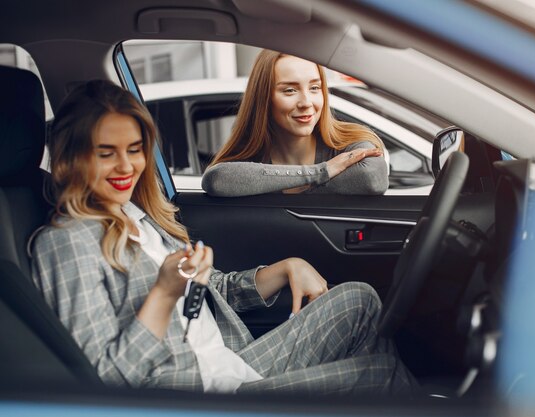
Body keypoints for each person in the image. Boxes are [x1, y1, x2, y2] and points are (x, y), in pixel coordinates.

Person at [30, 80, 418, 395]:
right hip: (197, 394)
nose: (126, 166)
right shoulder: (67, 243)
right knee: (380, 375)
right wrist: (163, 295)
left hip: (231, 364)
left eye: (134, 150)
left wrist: (285, 269)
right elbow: (103, 379)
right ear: (69, 158)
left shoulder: (138, 216)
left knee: (360, 300)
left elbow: (209, 294)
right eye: (105, 153)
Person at [201, 50, 389, 197]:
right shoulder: (250, 157)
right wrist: (321, 172)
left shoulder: (352, 142)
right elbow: (216, 180)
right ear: (264, 98)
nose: (306, 102)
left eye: (315, 88)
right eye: (290, 90)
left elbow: (373, 177)